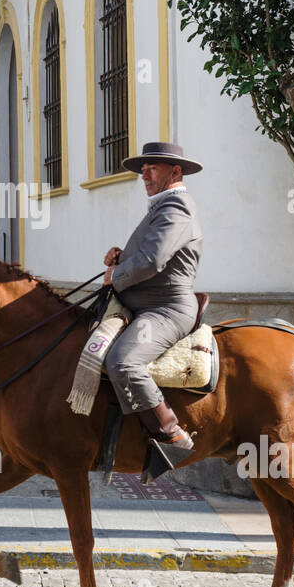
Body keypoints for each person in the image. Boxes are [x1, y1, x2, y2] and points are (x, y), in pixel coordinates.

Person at [103, 141, 203, 466]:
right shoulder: (161, 206)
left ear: (175, 172)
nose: (144, 174)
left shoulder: (176, 208)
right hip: (145, 306)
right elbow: (145, 256)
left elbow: (152, 260)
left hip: (165, 310)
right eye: (142, 169)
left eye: (152, 168)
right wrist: (121, 256)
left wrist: (116, 275)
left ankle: (171, 434)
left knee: (123, 362)